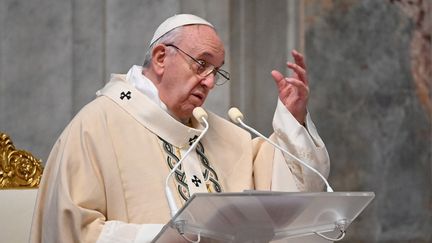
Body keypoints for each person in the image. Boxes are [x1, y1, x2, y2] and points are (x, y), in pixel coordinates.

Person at [30, 14, 330, 243]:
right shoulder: (96, 126)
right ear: (161, 57)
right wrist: (166, 237)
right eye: (201, 64)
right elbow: (71, 230)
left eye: (217, 71)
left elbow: (284, 190)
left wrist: (294, 119)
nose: (210, 81)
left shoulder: (226, 135)